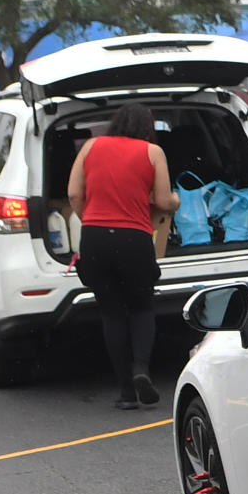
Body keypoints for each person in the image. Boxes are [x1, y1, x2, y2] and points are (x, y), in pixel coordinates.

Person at [67, 103, 180, 410]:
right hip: (134, 238)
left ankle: (126, 393)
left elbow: (75, 194)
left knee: (111, 312)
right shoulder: (153, 152)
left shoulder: (91, 146)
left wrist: (89, 218)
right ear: (147, 126)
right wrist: (176, 201)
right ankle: (141, 369)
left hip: (94, 238)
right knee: (142, 307)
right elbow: (162, 200)